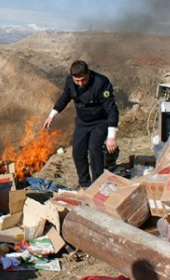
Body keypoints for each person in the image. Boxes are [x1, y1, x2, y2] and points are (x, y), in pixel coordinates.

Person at [43, 60, 119, 188]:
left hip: (100, 121)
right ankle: (84, 183)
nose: (80, 83)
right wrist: (51, 116)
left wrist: (111, 137)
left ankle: (98, 184)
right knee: (78, 151)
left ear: (88, 73)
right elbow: (64, 98)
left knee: (94, 149)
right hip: (83, 121)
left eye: (83, 80)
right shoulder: (70, 82)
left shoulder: (101, 83)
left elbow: (112, 109)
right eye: (77, 81)